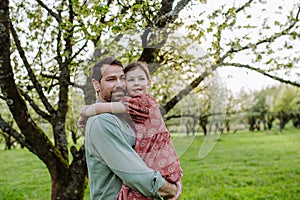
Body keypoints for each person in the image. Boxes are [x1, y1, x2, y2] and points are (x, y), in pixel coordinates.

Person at [79, 61, 183, 199]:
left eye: (122, 78)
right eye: (111, 79)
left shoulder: (126, 116)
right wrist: (171, 189)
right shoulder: (102, 121)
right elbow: (137, 177)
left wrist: (170, 174)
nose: (119, 84)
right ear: (96, 84)